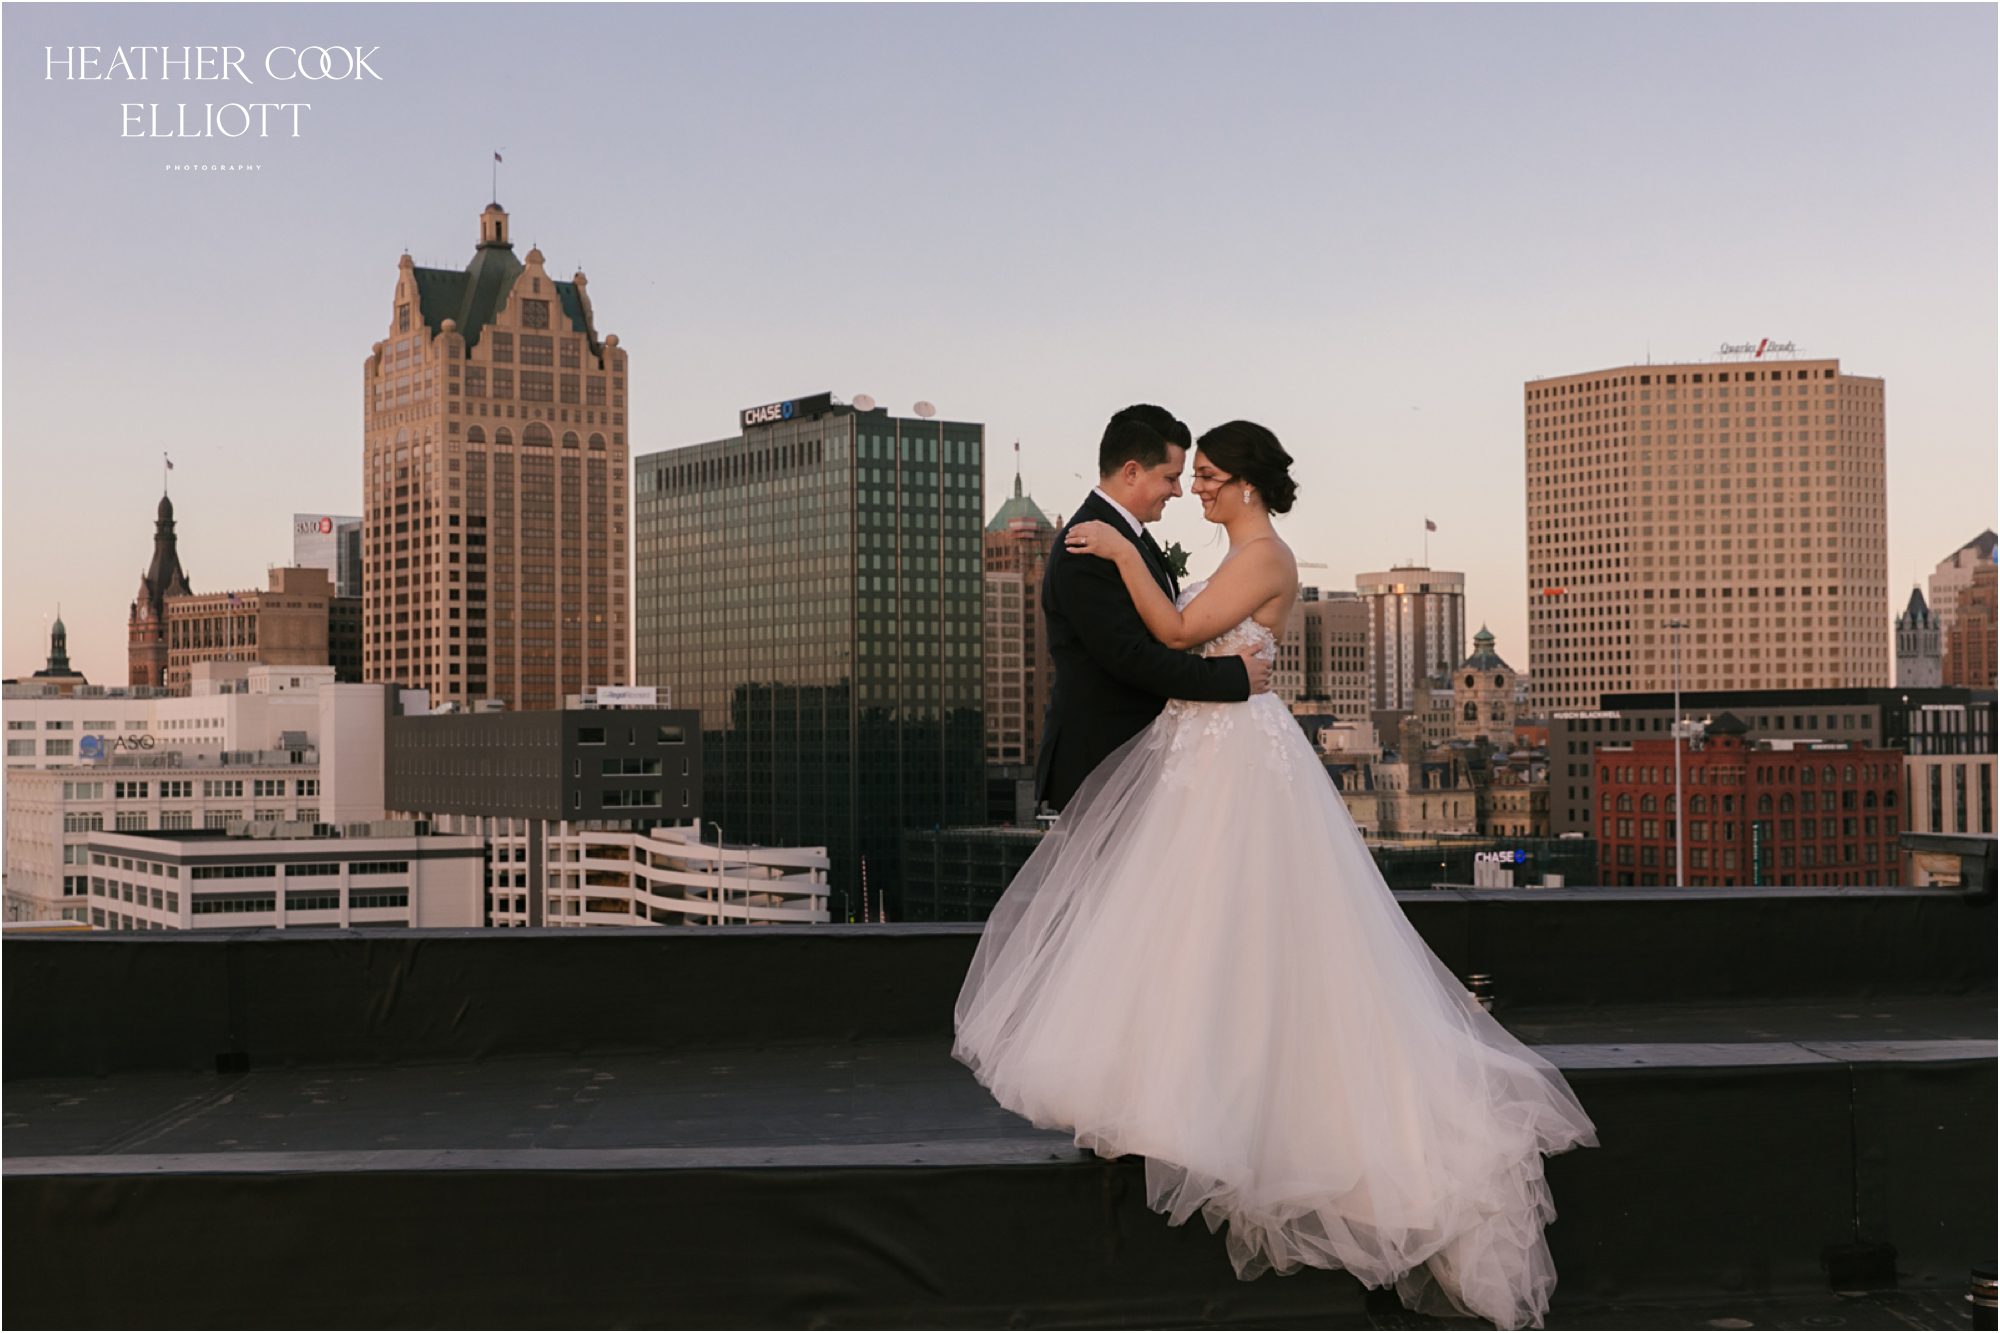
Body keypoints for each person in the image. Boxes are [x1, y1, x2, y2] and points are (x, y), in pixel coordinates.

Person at [954, 421, 1597, 1331]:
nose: (1197, 491)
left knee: (1235, 919)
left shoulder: (1263, 555)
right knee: (1192, 921)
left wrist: (1124, 557)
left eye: (1209, 477)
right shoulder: (1241, 551)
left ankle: (1229, 1095)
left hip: (1234, 757)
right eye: (1189, 476)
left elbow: (1174, 631)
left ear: (1246, 485)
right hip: (1207, 749)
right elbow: (1177, 647)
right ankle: (1180, 1076)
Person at [1035, 404, 1271, 814]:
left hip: (1135, 758)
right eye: (1171, 477)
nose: (1179, 491)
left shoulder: (1125, 537)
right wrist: (1231, 675)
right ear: (1131, 472)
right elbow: (1131, 659)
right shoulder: (1085, 546)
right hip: (1102, 759)